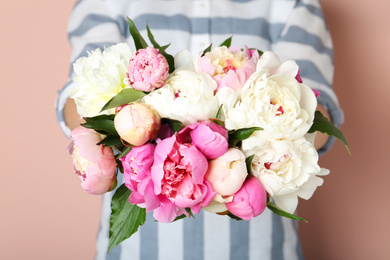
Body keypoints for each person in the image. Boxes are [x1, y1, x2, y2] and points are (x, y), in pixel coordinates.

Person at [56, 0, 343, 259]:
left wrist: (269, 116)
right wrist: (140, 119)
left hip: (259, 251)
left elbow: (317, 117)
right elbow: (78, 100)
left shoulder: (292, 4)